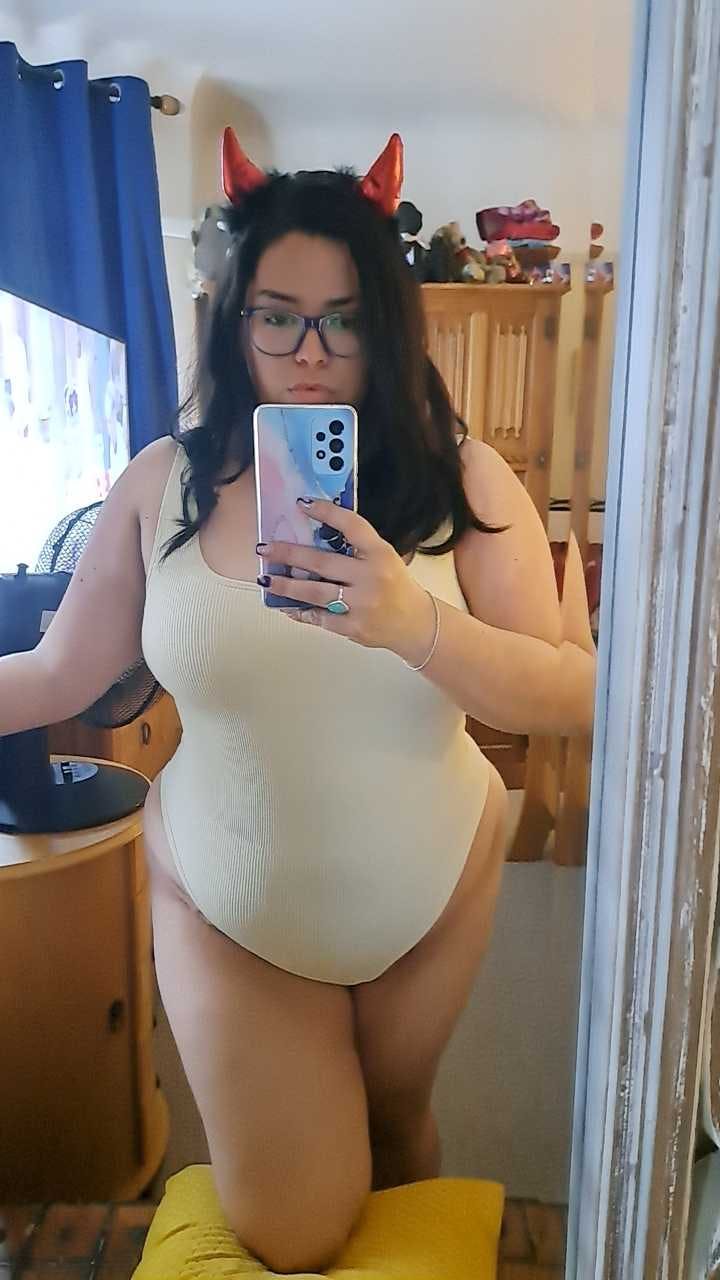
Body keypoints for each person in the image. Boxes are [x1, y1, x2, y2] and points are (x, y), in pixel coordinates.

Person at [0, 131, 596, 1274]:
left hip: (432, 884)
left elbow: (573, 692)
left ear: (389, 325)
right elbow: (57, 672)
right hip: (229, 898)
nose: (310, 353)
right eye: (277, 316)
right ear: (236, 321)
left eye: (345, 319)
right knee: (295, 1222)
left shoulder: (462, 476)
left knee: (398, 1132)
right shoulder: (160, 483)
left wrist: (414, 622)